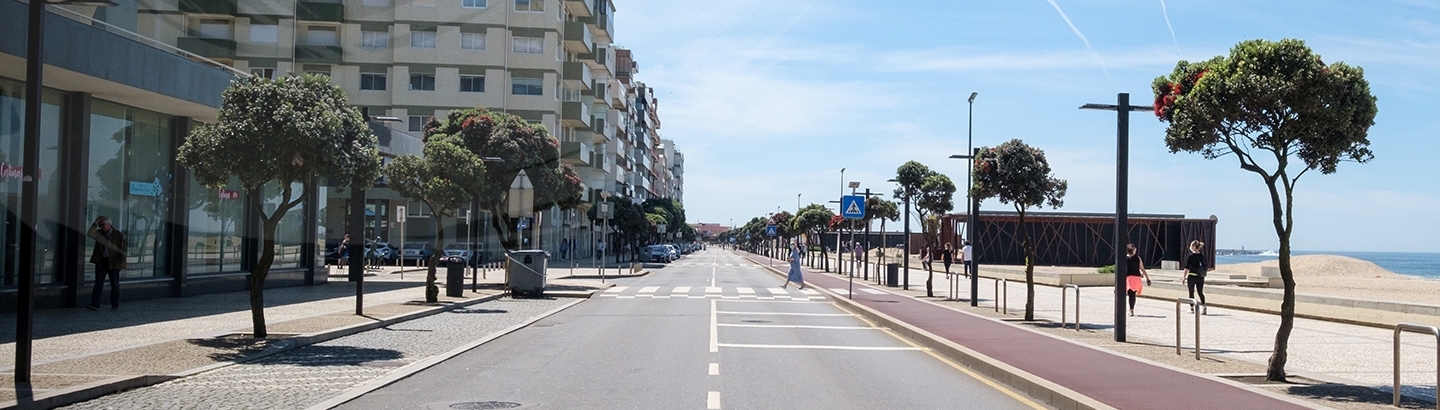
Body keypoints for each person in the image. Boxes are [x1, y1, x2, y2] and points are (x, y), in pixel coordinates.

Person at [86, 216, 127, 311]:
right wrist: (95, 223)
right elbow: (89, 233)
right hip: (102, 261)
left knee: (115, 284)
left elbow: (123, 249)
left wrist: (122, 262)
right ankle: (95, 304)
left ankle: (115, 303)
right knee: (98, 283)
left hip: (114, 262)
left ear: (109, 224)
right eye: (100, 225)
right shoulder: (99, 233)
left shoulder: (118, 235)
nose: (101, 227)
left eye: (103, 225)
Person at [1124, 243, 1152, 317]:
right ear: (1133, 250)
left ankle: (1131, 309)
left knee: (1131, 294)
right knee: (1132, 294)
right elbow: (1142, 269)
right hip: (1136, 278)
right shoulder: (1138, 258)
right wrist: (1147, 278)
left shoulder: (1124, 258)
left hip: (1129, 278)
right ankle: (1131, 309)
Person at [1182, 240, 1208, 314]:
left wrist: (1184, 277)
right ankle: (1204, 306)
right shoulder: (1202, 256)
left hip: (1192, 276)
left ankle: (1192, 308)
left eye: (1191, 245)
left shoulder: (1190, 256)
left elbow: (1186, 267)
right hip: (1200, 276)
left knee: (1191, 292)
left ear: (1193, 246)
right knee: (1200, 292)